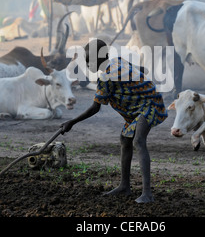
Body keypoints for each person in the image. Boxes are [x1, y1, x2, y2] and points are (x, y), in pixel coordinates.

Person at [60, 39, 167, 203]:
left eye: (90, 60)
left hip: (149, 104)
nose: (88, 64)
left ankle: (147, 194)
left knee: (138, 141)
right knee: (125, 140)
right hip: (137, 108)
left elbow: (95, 108)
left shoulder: (105, 78)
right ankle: (125, 186)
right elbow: (139, 69)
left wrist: (71, 122)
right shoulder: (118, 61)